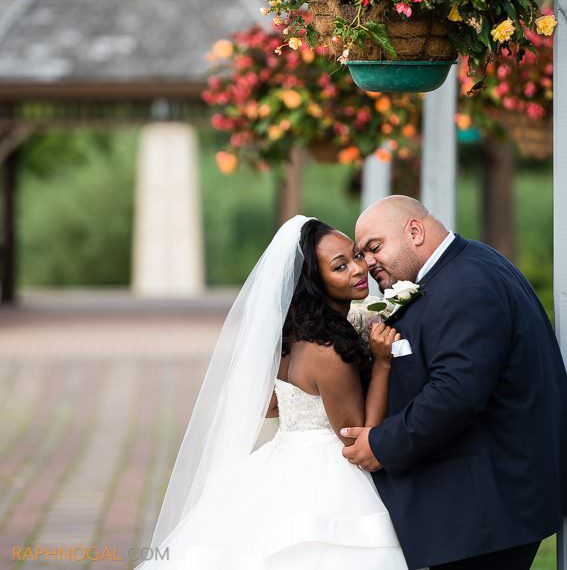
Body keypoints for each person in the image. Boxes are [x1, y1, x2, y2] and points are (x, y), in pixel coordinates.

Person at [135, 216, 411, 570]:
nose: (359, 269)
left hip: (282, 458)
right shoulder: (327, 351)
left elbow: (268, 405)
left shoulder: (288, 340)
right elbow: (357, 439)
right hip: (330, 478)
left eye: (357, 256)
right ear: (313, 281)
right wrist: (383, 364)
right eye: (340, 266)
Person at [341, 195, 567, 570]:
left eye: (374, 248)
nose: (368, 263)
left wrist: (382, 444)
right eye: (362, 254)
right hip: (480, 510)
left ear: (414, 231)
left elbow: (457, 393)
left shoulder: (466, 284)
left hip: (486, 514)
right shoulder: (461, 267)